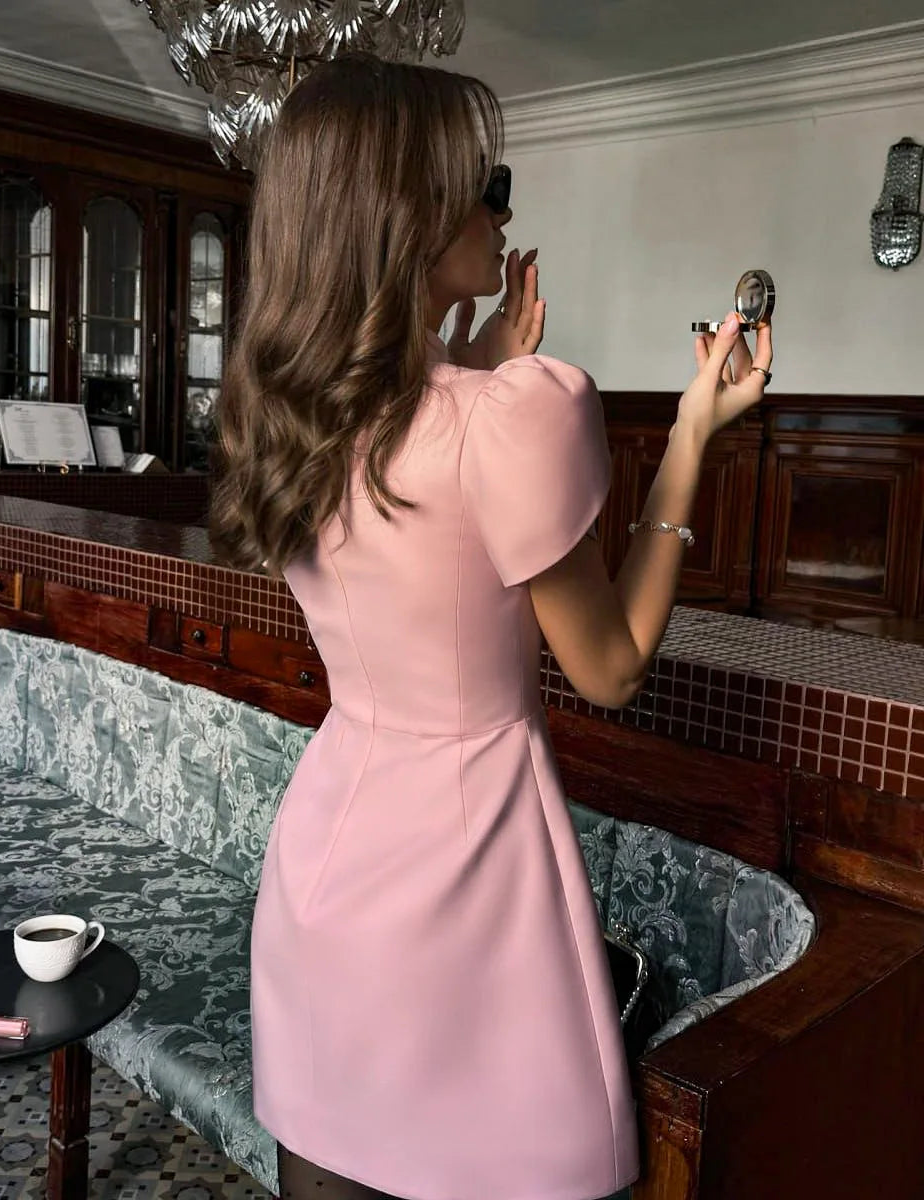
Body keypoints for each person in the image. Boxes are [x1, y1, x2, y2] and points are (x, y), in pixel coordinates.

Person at [209, 52, 773, 1200]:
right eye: (486, 183)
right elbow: (608, 668)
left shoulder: (295, 413)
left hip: (325, 877)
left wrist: (462, 354)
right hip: (469, 889)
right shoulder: (519, 413)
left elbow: (410, 477)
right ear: (414, 216)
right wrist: (690, 435)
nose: (503, 210)